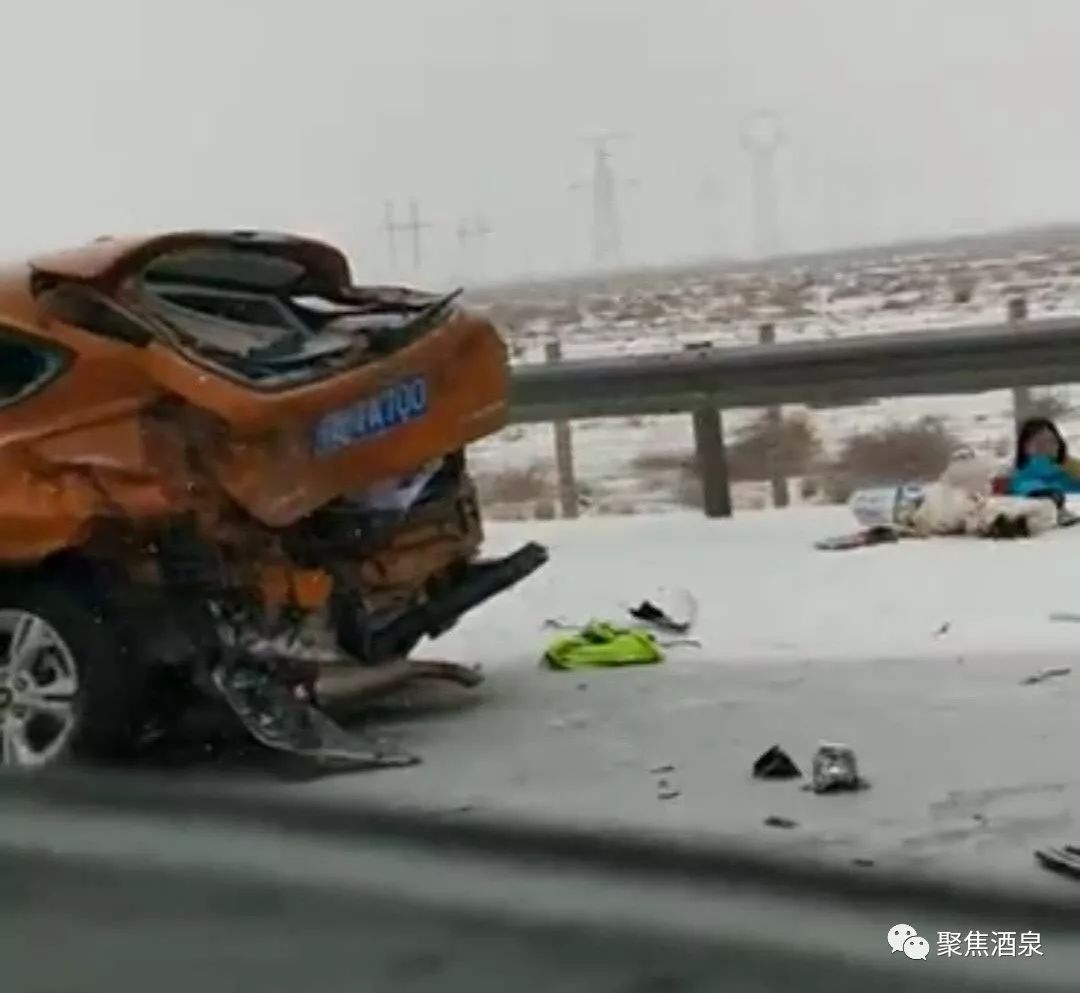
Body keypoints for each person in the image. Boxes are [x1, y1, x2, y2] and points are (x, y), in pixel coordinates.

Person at [1007, 416, 1080, 504]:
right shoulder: (1022, 480)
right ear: (1025, 448)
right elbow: (1029, 491)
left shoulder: (1067, 475)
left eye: (1052, 441)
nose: (1048, 448)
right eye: (1040, 443)